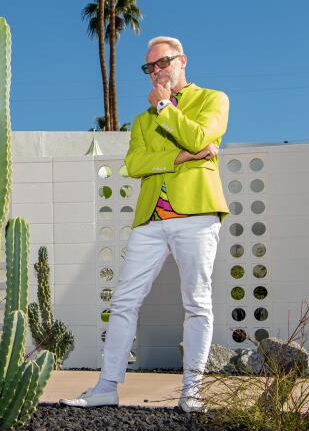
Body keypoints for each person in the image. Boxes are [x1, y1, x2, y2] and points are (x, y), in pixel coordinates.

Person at [61, 36, 229, 412]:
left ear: (182, 61)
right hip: (150, 218)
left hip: (197, 215)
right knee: (123, 302)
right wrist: (184, 156)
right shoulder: (141, 120)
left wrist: (168, 109)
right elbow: (135, 165)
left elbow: (201, 135)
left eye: (163, 63)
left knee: (197, 302)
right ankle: (106, 386)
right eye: (150, 67)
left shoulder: (214, 100)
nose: (156, 71)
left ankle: (192, 392)